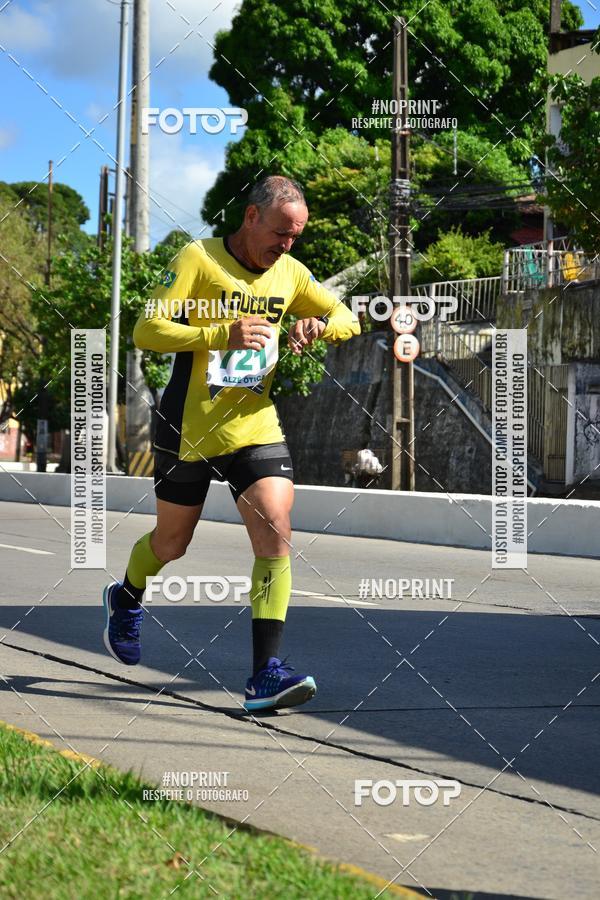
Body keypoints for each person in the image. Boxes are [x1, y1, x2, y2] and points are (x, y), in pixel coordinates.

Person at [102, 175, 360, 711]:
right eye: (279, 233)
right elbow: (146, 331)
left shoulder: (290, 273)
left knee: (276, 527)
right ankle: (126, 596)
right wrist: (221, 333)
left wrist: (318, 327)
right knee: (171, 545)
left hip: (254, 426)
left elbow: (347, 315)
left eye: (295, 237)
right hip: (188, 427)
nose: (285, 246)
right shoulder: (198, 258)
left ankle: (265, 673)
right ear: (250, 217)